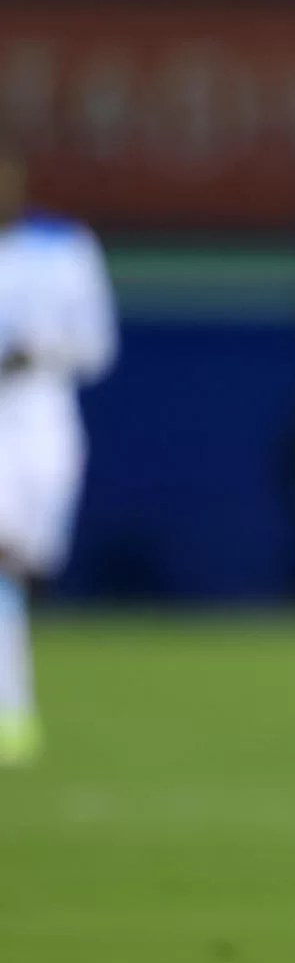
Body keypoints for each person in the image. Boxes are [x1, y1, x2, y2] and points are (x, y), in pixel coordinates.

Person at [0, 145, 117, 766]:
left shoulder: (64, 247)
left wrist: (38, 353)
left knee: (27, 569)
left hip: (42, 424)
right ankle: (12, 713)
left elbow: (97, 347)